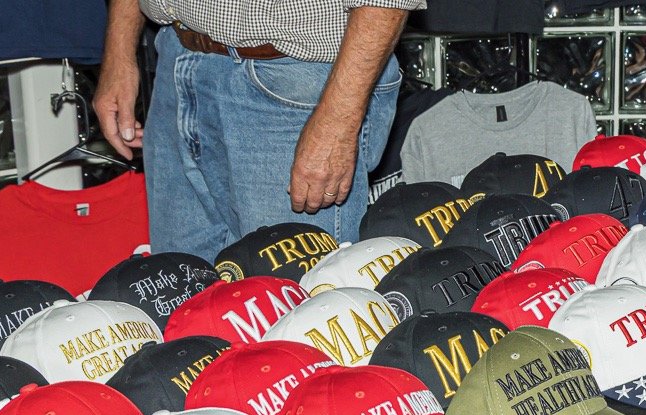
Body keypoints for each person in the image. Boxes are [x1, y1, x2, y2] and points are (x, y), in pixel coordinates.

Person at [94, 0, 423, 259]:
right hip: (176, 59)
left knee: (296, 312)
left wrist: (338, 124)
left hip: (297, 83)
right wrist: (119, 51)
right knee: (182, 308)